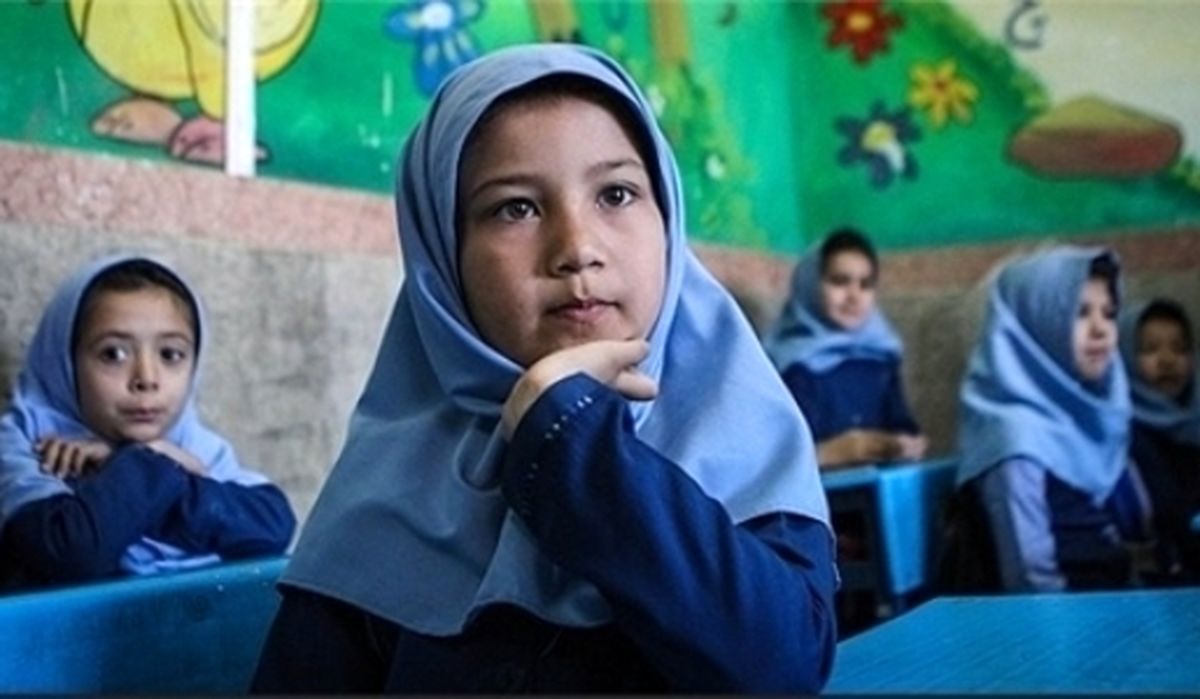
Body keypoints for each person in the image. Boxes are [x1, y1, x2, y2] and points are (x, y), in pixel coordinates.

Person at [251, 44, 836, 694]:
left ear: (667, 218)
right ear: (442, 256)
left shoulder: (737, 432)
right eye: (516, 208)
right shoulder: (384, 484)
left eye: (616, 193)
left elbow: (781, 668)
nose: (577, 249)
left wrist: (568, 432)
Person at [0, 254, 296, 590]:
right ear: (62, 361)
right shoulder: (28, 449)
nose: (146, 378)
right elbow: (74, 551)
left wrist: (134, 463)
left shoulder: (195, 444)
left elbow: (273, 527)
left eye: (170, 354)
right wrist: (152, 465)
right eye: (113, 354)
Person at [951, 246, 1151, 592]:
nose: (1101, 330)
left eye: (1108, 313)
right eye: (1080, 313)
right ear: (1034, 326)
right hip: (1069, 615)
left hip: (1114, 600)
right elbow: (1031, 580)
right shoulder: (1015, 441)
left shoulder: (1090, 414)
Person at [763, 228, 927, 469]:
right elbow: (779, 458)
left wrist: (906, 444)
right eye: (839, 281)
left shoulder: (880, 357)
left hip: (879, 484)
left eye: (865, 284)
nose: (854, 296)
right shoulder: (790, 365)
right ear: (809, 284)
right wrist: (836, 451)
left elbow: (902, 427)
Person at [1119, 298, 1200, 580]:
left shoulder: (1195, 423)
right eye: (1150, 349)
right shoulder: (1121, 436)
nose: (1167, 361)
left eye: (1180, 349)